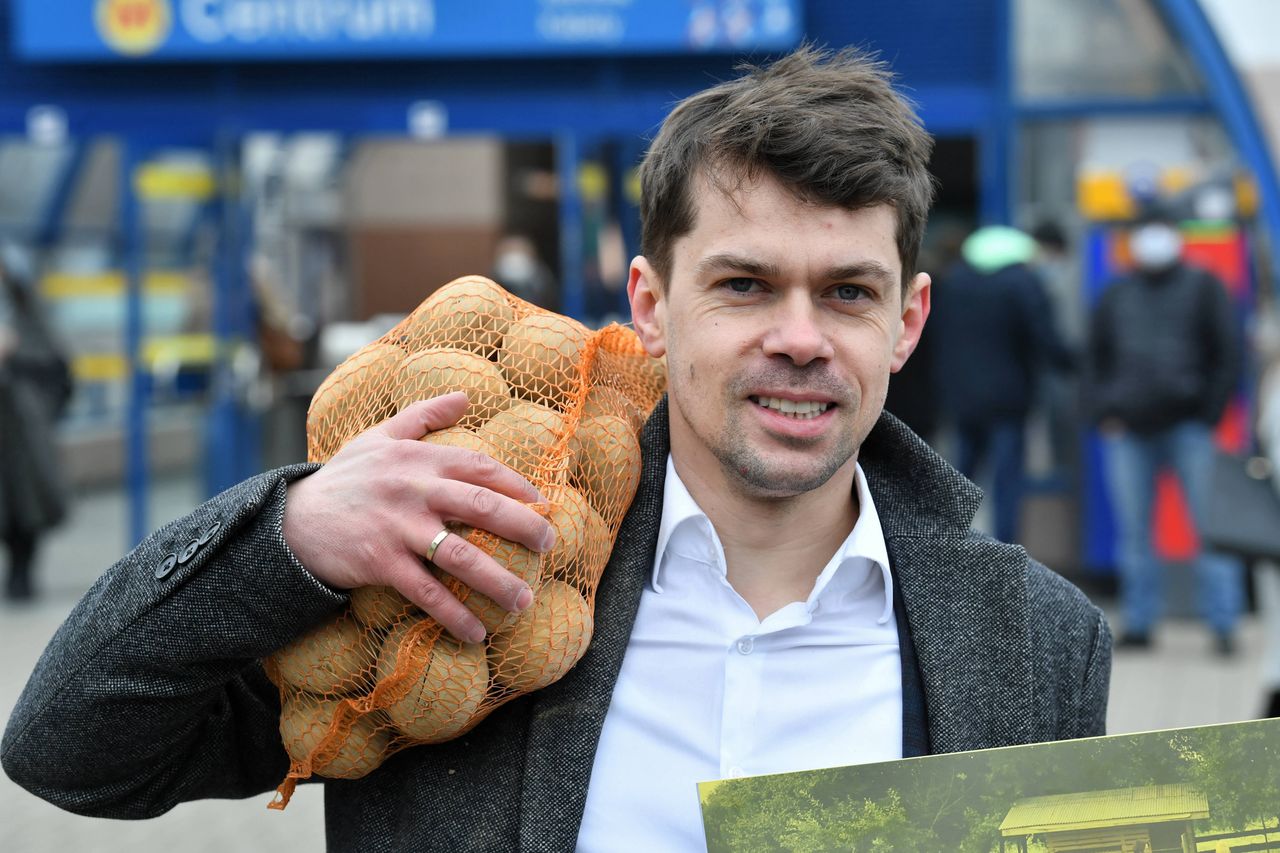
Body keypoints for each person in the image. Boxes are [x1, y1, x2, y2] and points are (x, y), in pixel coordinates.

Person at [3, 47, 1111, 850]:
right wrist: (285, 534)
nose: (798, 338)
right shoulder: (467, 567)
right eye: (742, 284)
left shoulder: (1034, 642)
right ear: (651, 304)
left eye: (847, 293)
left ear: (907, 321)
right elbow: (71, 750)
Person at [1085, 202, 1243, 655]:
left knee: (1211, 529)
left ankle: (1223, 624)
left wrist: (1209, 412)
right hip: (1129, 429)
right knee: (1134, 533)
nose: (1151, 237)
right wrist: (1104, 412)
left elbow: (1228, 353)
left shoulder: (1204, 286)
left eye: (1159, 228)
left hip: (1190, 426)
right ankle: (1140, 623)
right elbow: (1094, 357)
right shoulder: (1117, 293)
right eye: (1143, 229)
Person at [932, 225, 1073, 543]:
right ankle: (1005, 550)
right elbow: (1046, 339)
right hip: (1009, 401)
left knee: (960, 480)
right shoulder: (1022, 283)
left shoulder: (955, 282)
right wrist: (1076, 364)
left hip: (963, 399)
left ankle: (947, 545)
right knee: (1007, 482)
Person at [0, 241, 71, 601]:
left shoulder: (28, 310)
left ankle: (22, 574)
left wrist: (15, 354)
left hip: (25, 428)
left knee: (27, 504)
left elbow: (57, 365)